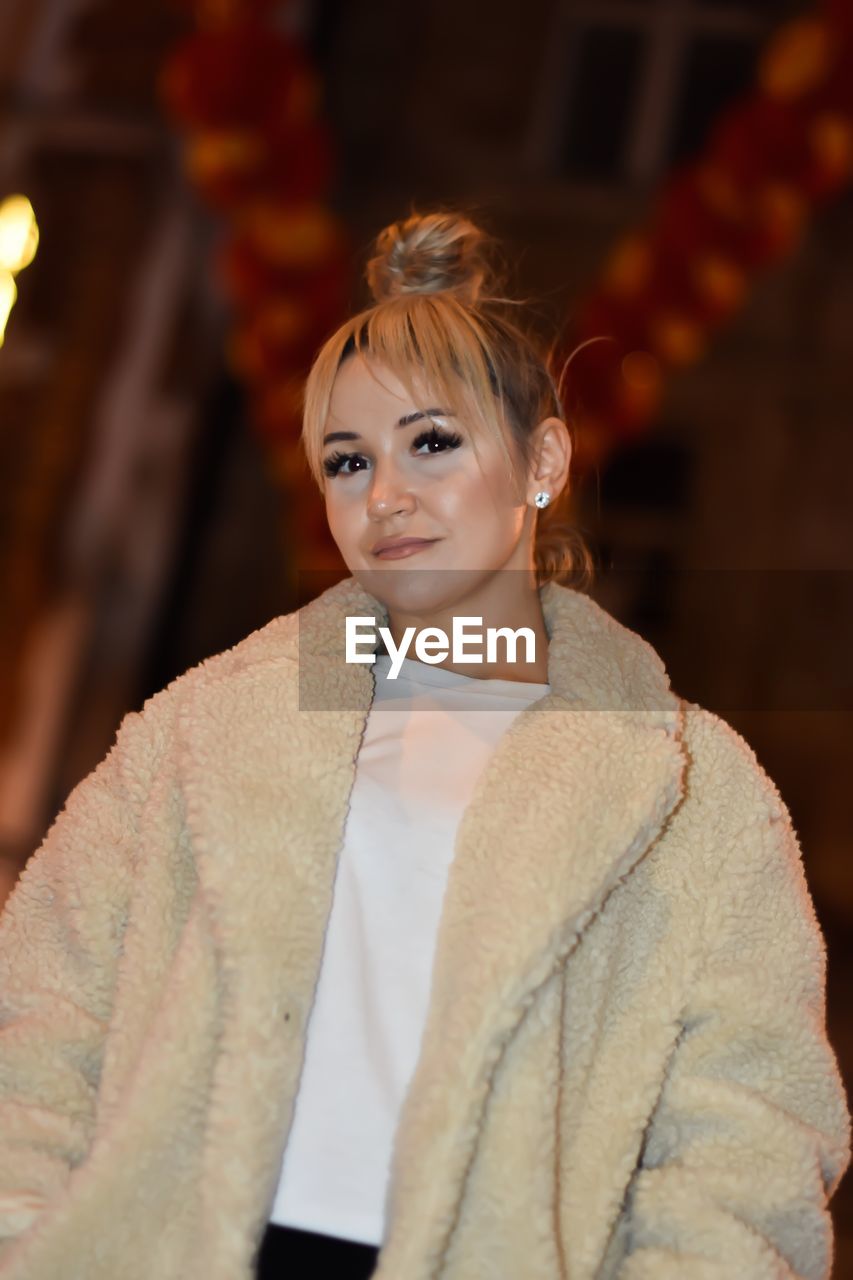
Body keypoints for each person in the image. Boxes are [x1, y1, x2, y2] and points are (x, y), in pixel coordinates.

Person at [0, 209, 849, 1280]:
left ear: (541, 460)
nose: (384, 494)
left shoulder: (693, 791)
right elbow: (41, 1014)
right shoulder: (200, 730)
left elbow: (751, 1130)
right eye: (346, 460)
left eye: (431, 442)